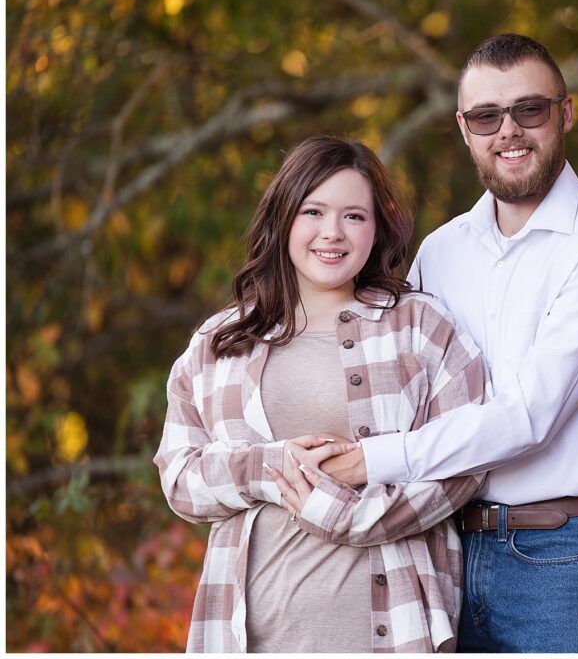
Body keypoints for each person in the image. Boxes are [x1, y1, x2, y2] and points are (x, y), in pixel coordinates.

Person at [316, 34, 578, 652]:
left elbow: (530, 417)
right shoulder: (441, 253)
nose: (510, 131)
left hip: (563, 557)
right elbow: (401, 384)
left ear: (567, 112)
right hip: (443, 545)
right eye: (486, 116)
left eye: (530, 109)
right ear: (464, 127)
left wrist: (371, 461)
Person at [154, 136, 488, 652]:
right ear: (284, 217)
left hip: (392, 633)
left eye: (354, 216)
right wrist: (274, 465)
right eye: (314, 211)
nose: (332, 233)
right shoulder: (219, 343)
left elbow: (465, 463)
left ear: (377, 229)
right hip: (247, 634)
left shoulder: (421, 328)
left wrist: (341, 515)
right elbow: (179, 479)